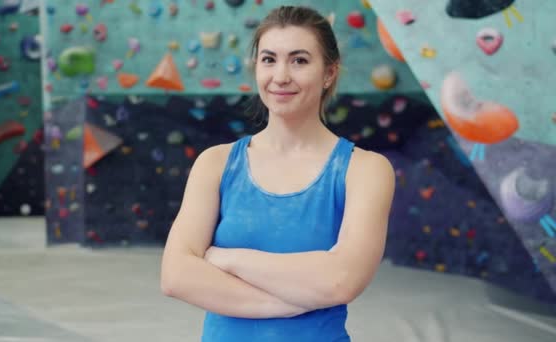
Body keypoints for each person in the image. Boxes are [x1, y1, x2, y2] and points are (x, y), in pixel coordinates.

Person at [161, 5, 395, 341]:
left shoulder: (365, 170)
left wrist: (228, 259)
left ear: (329, 73)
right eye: (269, 59)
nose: (281, 76)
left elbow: (341, 280)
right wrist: (289, 302)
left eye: (299, 60)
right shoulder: (215, 164)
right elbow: (176, 276)